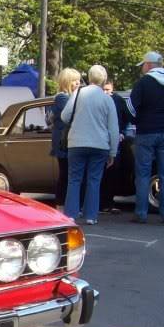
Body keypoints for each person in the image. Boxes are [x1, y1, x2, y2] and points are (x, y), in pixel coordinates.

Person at [128, 51, 164, 223]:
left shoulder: (143, 82)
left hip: (146, 131)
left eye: (143, 65)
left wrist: (137, 120)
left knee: (143, 173)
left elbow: (131, 106)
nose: (142, 69)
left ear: (148, 65)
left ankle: (141, 213)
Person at [61, 65, 120, 225]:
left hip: (77, 142)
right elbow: (113, 128)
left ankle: (71, 213)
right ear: (104, 80)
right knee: (94, 180)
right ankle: (91, 216)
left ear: (89, 77)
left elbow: (65, 116)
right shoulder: (107, 99)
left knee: (74, 179)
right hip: (100, 145)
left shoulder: (78, 93)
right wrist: (113, 152)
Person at [49, 67, 81, 212]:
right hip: (63, 142)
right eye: (75, 81)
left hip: (66, 140)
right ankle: (61, 204)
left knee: (69, 174)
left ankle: (66, 204)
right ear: (67, 82)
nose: (78, 84)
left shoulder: (66, 97)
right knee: (65, 174)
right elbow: (70, 115)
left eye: (79, 81)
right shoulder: (62, 98)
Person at [100, 79, 131, 213]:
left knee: (112, 172)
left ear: (112, 88)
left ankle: (108, 201)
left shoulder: (118, 100)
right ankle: (102, 202)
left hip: (114, 138)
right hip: (102, 139)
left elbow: (125, 118)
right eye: (104, 90)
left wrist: (122, 132)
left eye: (108, 90)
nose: (106, 92)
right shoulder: (99, 99)